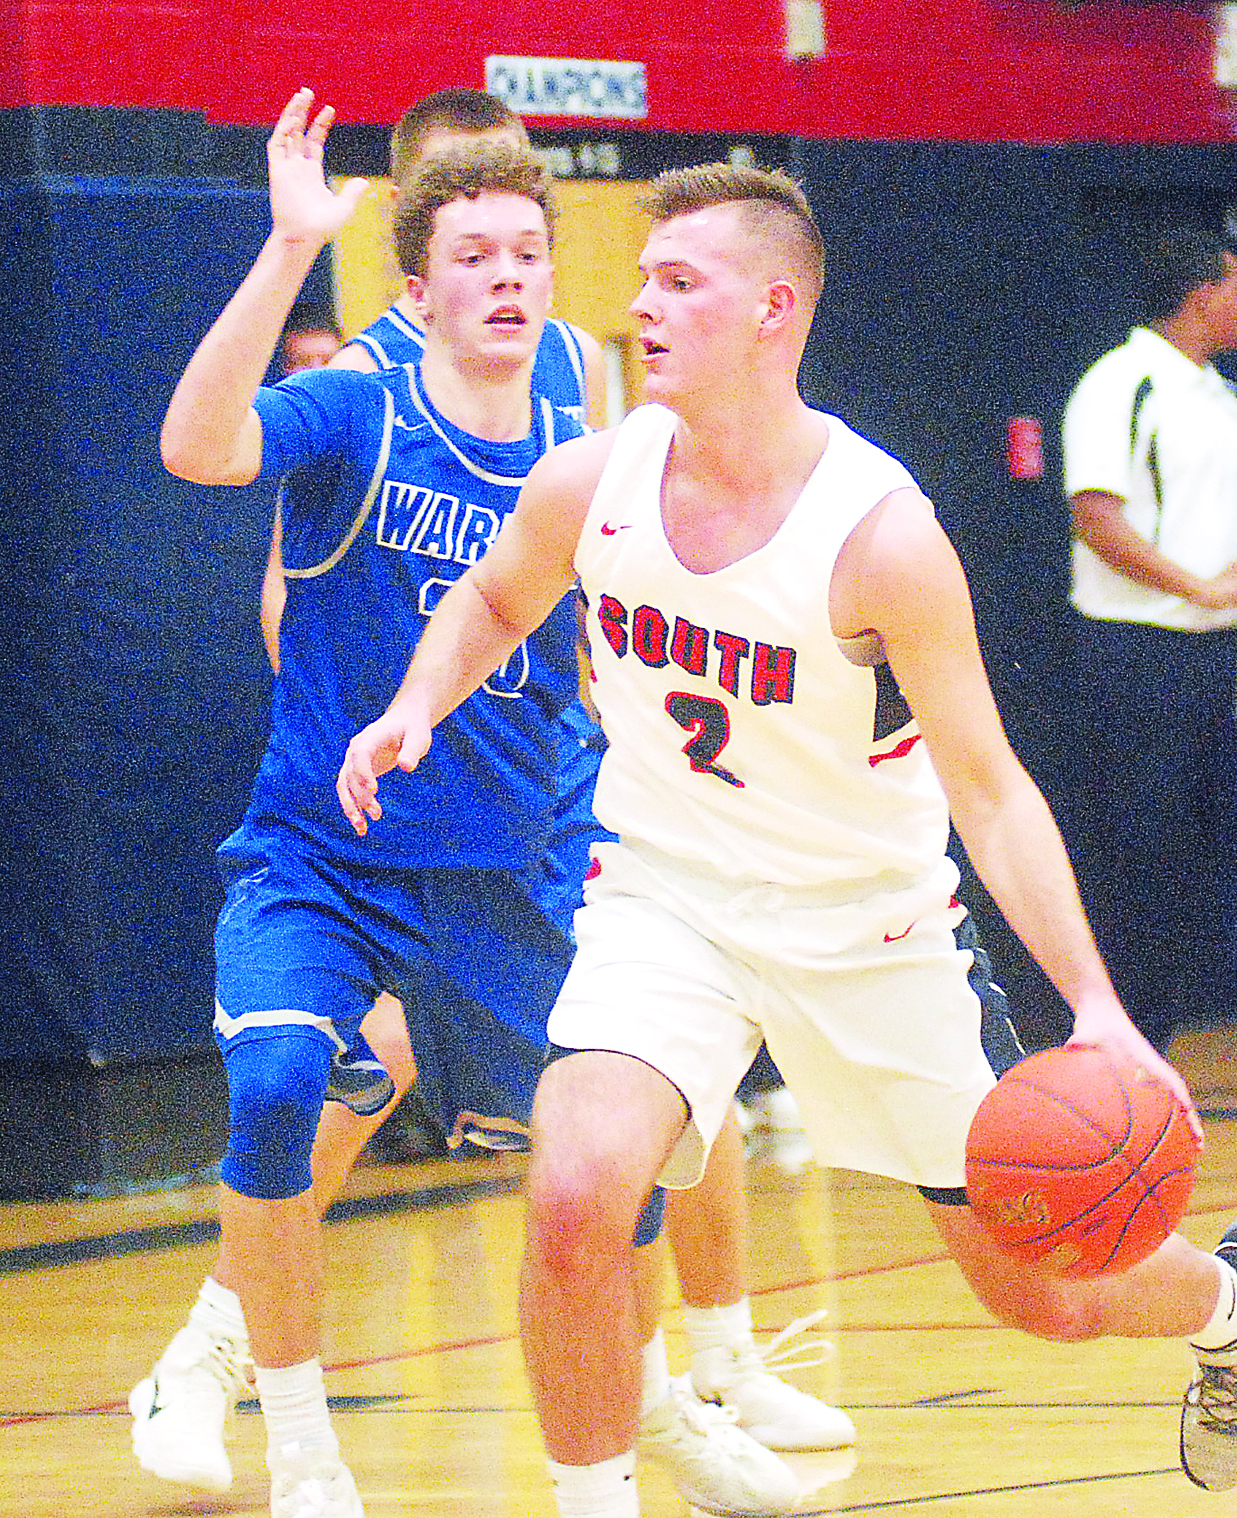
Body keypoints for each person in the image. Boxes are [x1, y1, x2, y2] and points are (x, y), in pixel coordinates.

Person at [338, 164, 1237, 1515]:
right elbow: (498, 598)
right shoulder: (592, 479)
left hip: (870, 924)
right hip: (668, 901)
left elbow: (991, 791)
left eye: (681, 282)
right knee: (575, 1194)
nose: (641, 305)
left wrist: (1094, 1001)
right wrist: (414, 705)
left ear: (774, 309)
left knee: (1043, 1296)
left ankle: (1235, 1304)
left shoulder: (880, 536)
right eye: (645, 278)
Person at [130, 94, 818, 1518]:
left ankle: (662, 1397)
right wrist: (285, 250)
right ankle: (296, 1443)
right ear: (415, 283)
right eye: (474, 255)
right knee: (283, 1090)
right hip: (335, 840)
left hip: (513, 845)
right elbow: (200, 453)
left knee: (621, 1160)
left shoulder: (585, 403)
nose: (506, 277)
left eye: (527, 252)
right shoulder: (359, 397)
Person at [1061, 226, 1237, 1089]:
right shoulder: (1118, 383)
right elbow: (1097, 518)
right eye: (1236, 289)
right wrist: (1198, 587)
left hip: (1234, 657)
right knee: (1148, 853)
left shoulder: (1226, 399)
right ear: (1203, 294)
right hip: (1142, 656)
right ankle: (1130, 1041)